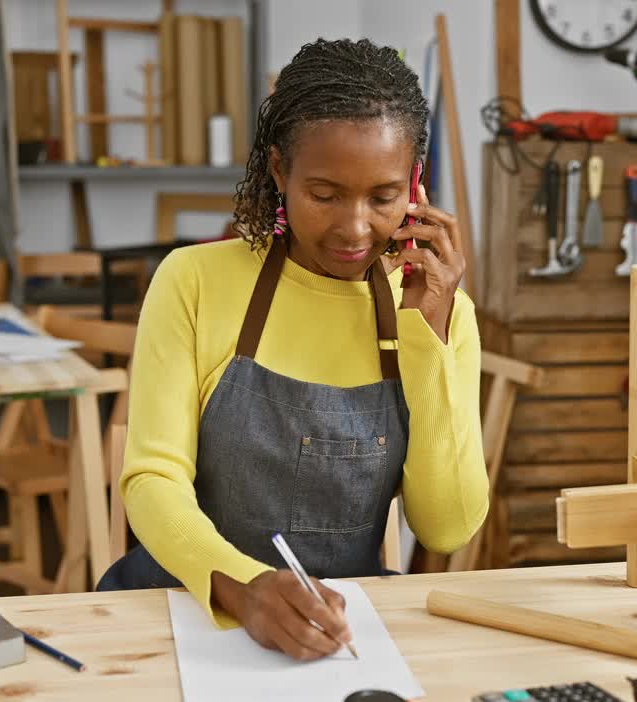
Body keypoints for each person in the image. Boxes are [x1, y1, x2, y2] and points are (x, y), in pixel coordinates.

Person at [96, 38, 488, 661]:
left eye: (383, 197)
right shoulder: (193, 281)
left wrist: (430, 337)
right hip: (184, 607)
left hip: (342, 629)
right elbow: (153, 481)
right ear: (280, 171)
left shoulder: (439, 310)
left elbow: (447, 525)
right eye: (325, 194)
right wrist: (246, 590)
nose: (355, 228)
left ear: (415, 185)